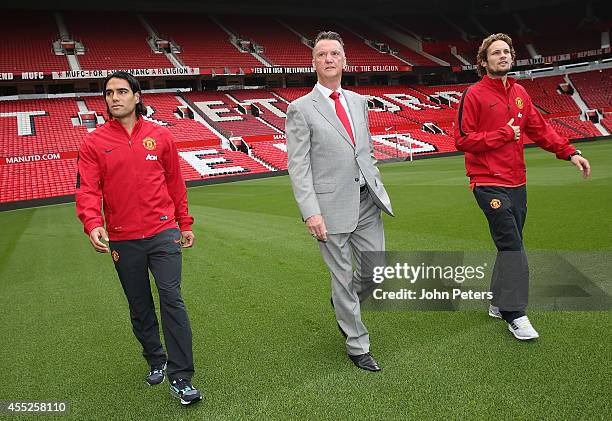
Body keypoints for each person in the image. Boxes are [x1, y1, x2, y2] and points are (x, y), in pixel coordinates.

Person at [75, 71, 203, 405]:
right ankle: (155, 358)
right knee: (140, 304)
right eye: (108, 93)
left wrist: (184, 223)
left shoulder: (161, 137)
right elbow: (87, 189)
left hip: (164, 232)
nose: (113, 97)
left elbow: (175, 183)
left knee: (171, 297)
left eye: (121, 91)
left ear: (137, 96)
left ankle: (181, 376)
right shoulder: (94, 142)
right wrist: (92, 222)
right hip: (123, 238)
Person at [454, 33, 591, 340]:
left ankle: (496, 301)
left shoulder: (520, 94)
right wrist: (503, 134)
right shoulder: (473, 95)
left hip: (518, 182)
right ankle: (515, 313)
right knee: (514, 248)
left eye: (506, 52)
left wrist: (571, 152)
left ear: (512, 57)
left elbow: (541, 130)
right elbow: (462, 140)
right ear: (484, 61)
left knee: (509, 245)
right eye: (495, 53)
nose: (502, 56)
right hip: (488, 183)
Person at [286, 31, 393, 371]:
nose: (329, 59)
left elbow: (366, 150)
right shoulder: (300, 108)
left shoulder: (359, 102)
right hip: (329, 210)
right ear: (313, 62)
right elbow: (298, 165)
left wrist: (373, 180)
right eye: (322, 54)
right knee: (343, 277)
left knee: (376, 273)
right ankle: (357, 344)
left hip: (366, 202)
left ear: (344, 60)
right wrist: (310, 213)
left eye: (334, 53)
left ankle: (341, 302)